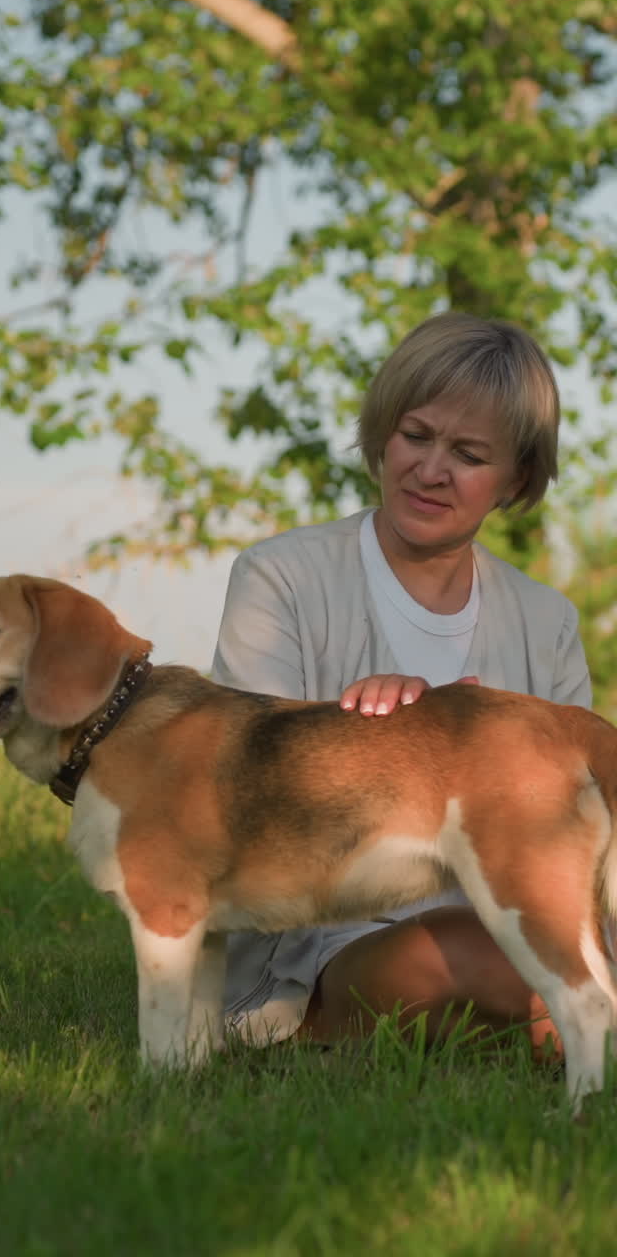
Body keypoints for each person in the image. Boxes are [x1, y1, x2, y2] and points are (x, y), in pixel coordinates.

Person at [210, 311, 591, 1059]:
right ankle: (319, 1026)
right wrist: (371, 738)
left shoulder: (547, 621)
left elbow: (575, 824)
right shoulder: (278, 578)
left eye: (469, 453)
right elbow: (239, 799)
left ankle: (543, 1030)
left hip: (525, 919)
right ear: (383, 432)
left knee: (522, 952)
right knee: (471, 956)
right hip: (327, 941)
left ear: (515, 476)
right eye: (416, 436)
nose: (432, 469)